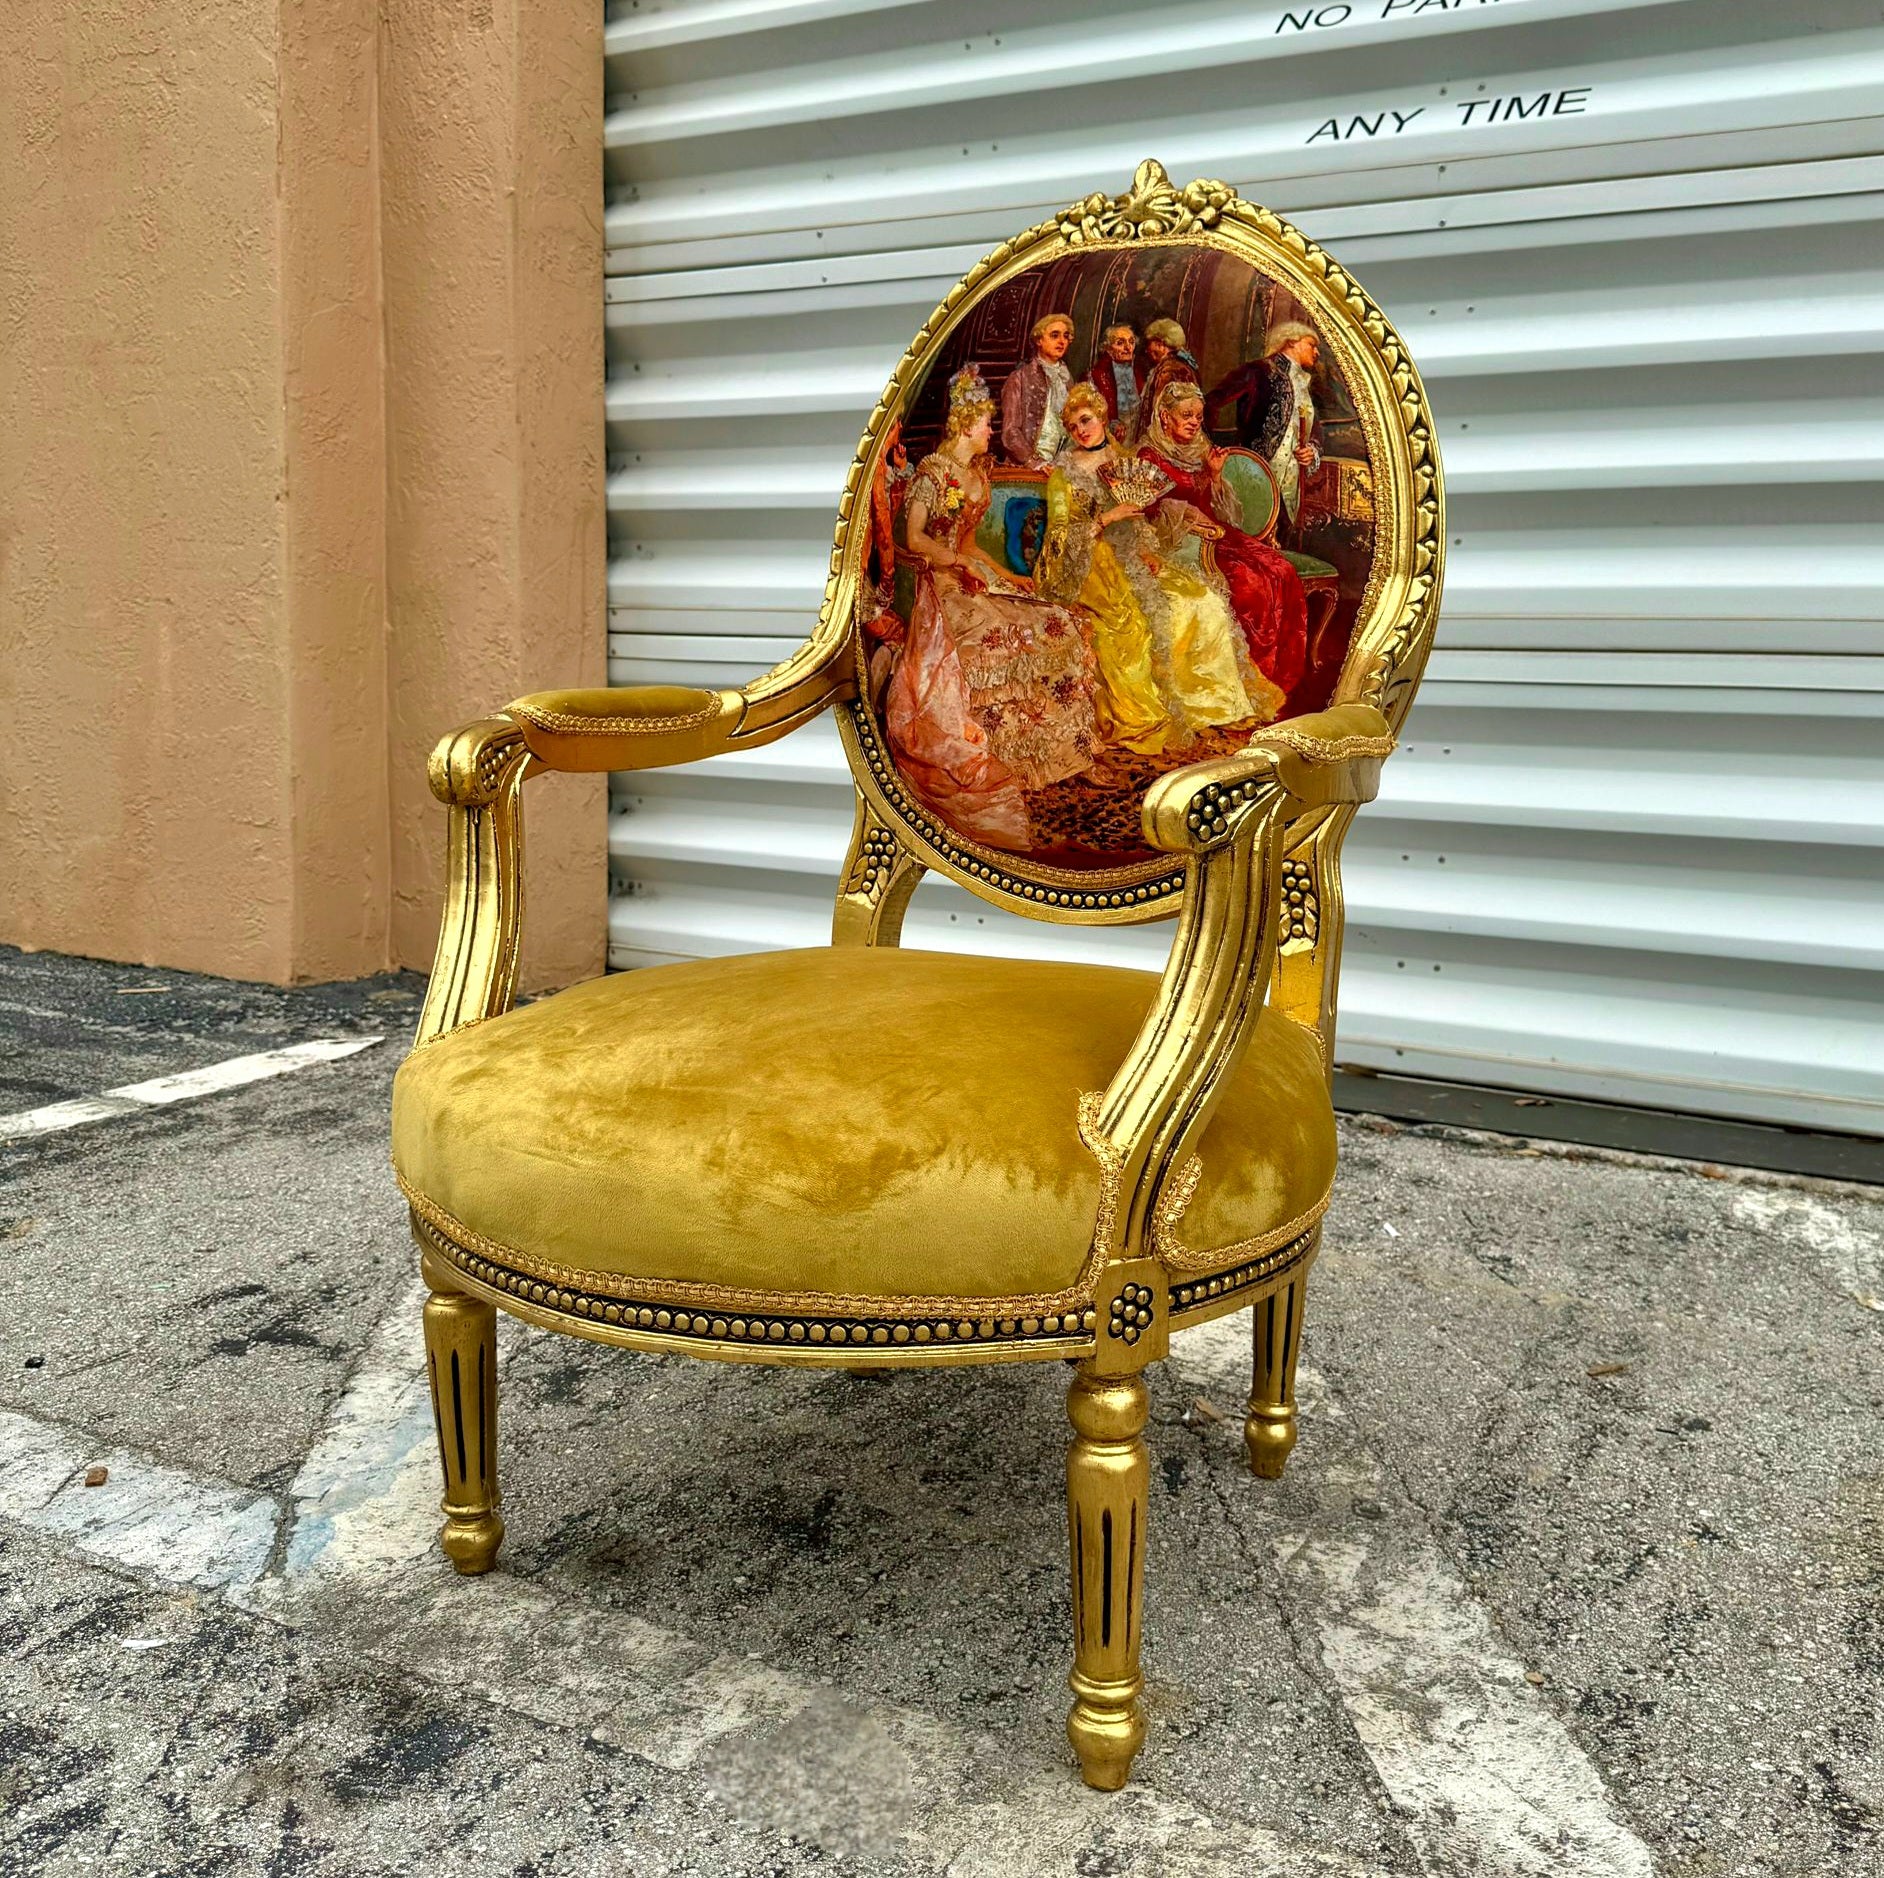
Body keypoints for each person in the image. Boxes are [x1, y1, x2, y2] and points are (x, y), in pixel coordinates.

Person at [885, 365, 1099, 850]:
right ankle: (1005, 756)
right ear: (966, 426)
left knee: (1053, 620)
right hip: (937, 585)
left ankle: (1057, 754)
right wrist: (959, 562)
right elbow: (914, 538)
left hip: (970, 577)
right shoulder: (932, 474)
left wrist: (1006, 576)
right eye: (985, 425)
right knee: (995, 638)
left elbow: (974, 546)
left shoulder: (978, 478)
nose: (990, 433)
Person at [1037, 384, 1281, 753]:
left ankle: (1217, 706)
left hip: (1134, 556)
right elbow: (1057, 539)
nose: (1082, 431)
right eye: (1073, 427)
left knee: (1202, 600)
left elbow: (1141, 521)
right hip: (1092, 565)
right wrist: (1105, 518)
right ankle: (1171, 709)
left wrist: (1147, 549)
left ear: (1102, 418)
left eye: (1086, 421)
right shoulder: (1063, 475)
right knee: (1146, 623)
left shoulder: (1123, 459)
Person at [1137, 381, 1310, 701]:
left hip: (1216, 532)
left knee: (1280, 568)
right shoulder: (1149, 454)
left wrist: (1214, 475)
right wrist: (1196, 493)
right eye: (1186, 415)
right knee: (1250, 583)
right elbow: (1149, 509)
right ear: (1164, 417)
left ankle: (1281, 673)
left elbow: (1216, 505)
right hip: (1180, 543)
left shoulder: (1200, 447)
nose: (1193, 422)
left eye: (1198, 417)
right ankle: (1251, 675)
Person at [1204, 320, 1324, 529]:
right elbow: (1212, 401)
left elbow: (1314, 429)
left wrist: (1311, 450)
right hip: (1255, 472)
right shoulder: (1258, 371)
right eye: (1311, 344)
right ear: (1292, 342)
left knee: (1283, 537)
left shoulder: (1304, 382)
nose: (1316, 352)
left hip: (1292, 479)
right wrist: (1206, 444)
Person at [999, 312, 1076, 468]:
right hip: (1026, 468)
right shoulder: (1019, 377)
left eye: (1066, 336)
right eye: (1055, 335)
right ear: (1039, 340)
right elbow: (1010, 432)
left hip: (1060, 466)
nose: (1062, 341)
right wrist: (1034, 462)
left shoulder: (1067, 380)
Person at [1136, 318, 1199, 438]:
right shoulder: (1182, 363)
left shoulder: (1168, 370)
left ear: (1161, 344)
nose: (1147, 350)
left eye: (1150, 344)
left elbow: (1159, 410)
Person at [1087, 323, 1146, 436]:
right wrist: (1112, 424)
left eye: (1131, 342)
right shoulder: (1097, 375)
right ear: (1108, 348)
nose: (1128, 348)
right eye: (1120, 343)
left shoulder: (1140, 370)